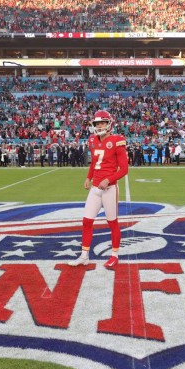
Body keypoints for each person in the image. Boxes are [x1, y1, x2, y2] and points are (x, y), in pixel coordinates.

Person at [69, 110, 129, 267]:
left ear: (109, 123)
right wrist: (88, 177)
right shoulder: (92, 140)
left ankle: (114, 254)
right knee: (87, 221)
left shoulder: (117, 140)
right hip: (95, 188)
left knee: (112, 222)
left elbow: (124, 169)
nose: (99, 126)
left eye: (102, 122)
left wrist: (109, 179)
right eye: (97, 123)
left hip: (109, 189)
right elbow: (94, 162)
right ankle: (84, 255)